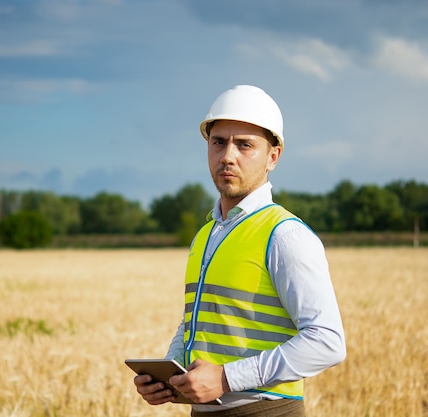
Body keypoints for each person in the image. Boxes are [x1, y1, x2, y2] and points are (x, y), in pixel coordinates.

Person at [133, 85, 346, 417]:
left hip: (266, 411)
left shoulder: (284, 234)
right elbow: (199, 320)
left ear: (273, 156)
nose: (228, 156)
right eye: (218, 142)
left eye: (244, 145)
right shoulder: (206, 233)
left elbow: (327, 342)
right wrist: (171, 377)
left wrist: (226, 377)